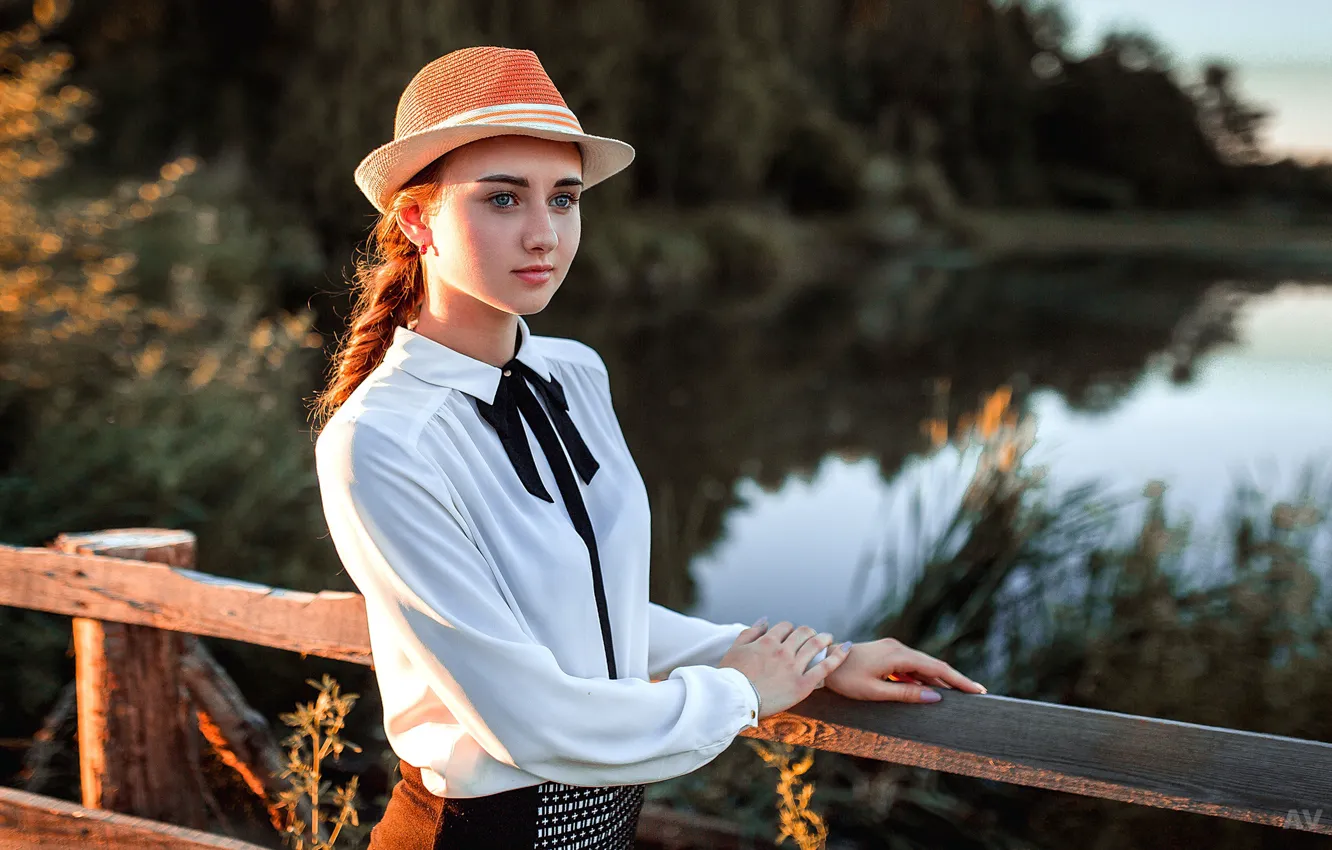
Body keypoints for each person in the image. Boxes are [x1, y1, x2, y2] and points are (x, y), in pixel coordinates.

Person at [311, 46, 986, 850]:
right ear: (417, 220)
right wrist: (740, 692)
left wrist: (815, 661)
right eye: (502, 199)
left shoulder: (576, 374)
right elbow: (529, 722)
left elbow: (604, 619)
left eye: (563, 200)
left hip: (605, 831)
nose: (543, 233)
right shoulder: (380, 441)